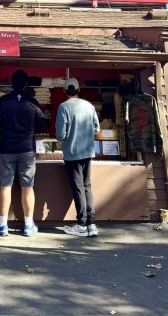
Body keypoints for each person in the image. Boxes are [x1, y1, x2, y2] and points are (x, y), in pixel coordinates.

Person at [0, 69, 45, 237]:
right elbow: (41, 123)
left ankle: (3, 225)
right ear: (26, 84)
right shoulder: (33, 102)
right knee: (28, 187)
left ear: (11, 84)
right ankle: (28, 226)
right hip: (27, 149)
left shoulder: (4, 100)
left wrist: (5, 125)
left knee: (5, 186)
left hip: (6, 148)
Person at [56, 78, 100, 237]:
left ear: (64, 91)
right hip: (88, 151)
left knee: (78, 188)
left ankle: (81, 224)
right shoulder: (89, 106)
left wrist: (66, 136)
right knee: (87, 186)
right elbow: (96, 128)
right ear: (78, 90)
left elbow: (60, 135)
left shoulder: (63, 107)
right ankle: (92, 223)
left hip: (72, 152)